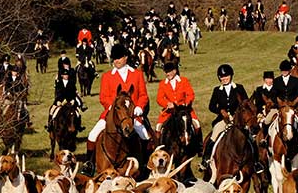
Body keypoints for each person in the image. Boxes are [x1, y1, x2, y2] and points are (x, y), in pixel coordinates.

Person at [84, 44, 150, 174]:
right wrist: (111, 107)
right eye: (114, 58)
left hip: (131, 115)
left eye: (119, 58)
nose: (116, 61)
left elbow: (143, 95)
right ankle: (89, 165)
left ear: (125, 57)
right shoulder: (107, 76)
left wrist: (138, 108)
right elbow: (103, 97)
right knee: (92, 135)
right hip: (111, 114)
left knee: (144, 135)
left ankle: (145, 164)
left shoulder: (137, 74)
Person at [200, 64, 249, 171]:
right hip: (223, 120)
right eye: (222, 77)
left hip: (238, 120)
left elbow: (246, 103)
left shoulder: (239, 88)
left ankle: (256, 162)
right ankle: (206, 159)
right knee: (214, 135)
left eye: (226, 76)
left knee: (249, 137)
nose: (224, 78)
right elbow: (211, 106)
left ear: (231, 76)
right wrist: (220, 111)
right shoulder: (217, 90)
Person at [265, 60, 298, 148]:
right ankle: (264, 139)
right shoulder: (276, 81)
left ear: (289, 70)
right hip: (279, 107)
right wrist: (277, 105)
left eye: (286, 70)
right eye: (283, 70)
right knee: (267, 120)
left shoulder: (295, 81)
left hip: (293, 107)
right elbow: (273, 95)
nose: (284, 72)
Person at [155, 62, 200, 136]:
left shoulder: (184, 81)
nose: (167, 74)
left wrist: (186, 103)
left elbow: (190, 94)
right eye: (166, 72)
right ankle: (159, 146)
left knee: (197, 124)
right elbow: (159, 98)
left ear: (174, 71)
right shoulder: (162, 84)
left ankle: (199, 145)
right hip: (169, 111)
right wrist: (167, 104)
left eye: (169, 72)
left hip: (184, 109)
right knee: (158, 127)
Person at [46, 66, 87, 132]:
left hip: (70, 101)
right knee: (52, 111)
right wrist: (58, 101)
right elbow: (57, 93)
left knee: (77, 112)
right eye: (65, 75)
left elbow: (73, 93)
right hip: (60, 101)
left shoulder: (71, 83)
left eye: (67, 75)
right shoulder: (58, 83)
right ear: (62, 75)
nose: (66, 76)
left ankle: (79, 126)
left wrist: (73, 100)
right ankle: (49, 125)